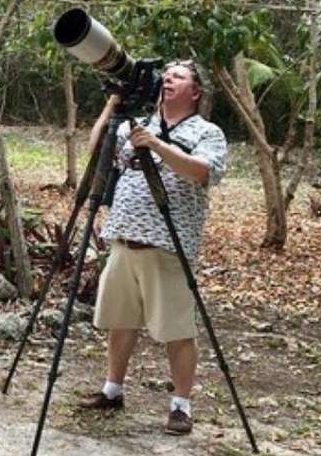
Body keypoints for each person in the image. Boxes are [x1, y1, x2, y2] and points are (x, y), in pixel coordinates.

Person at [77, 60, 226, 436]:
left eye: (178, 76)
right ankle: (113, 389)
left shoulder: (207, 132)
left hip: (168, 245)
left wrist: (156, 144)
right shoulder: (135, 124)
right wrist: (113, 107)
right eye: (166, 75)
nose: (167, 79)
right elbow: (96, 152)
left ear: (196, 92)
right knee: (120, 319)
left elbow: (201, 172)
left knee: (176, 328)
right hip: (123, 238)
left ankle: (181, 405)